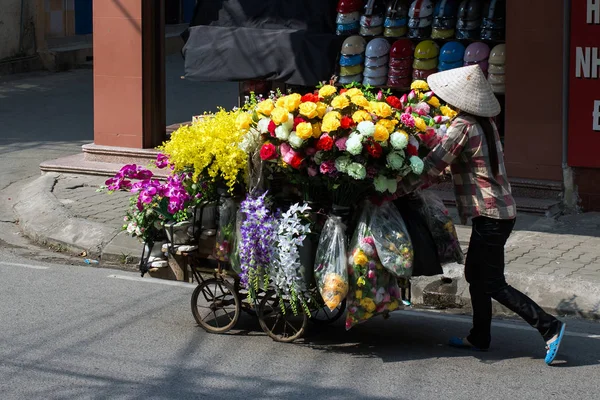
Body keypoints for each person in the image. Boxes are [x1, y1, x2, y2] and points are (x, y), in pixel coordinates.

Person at [398, 65, 566, 365]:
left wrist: (398, 188)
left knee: (491, 282)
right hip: (498, 211)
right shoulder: (486, 121)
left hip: (491, 215)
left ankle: (548, 326)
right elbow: (464, 162)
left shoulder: (463, 125)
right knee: (475, 275)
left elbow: (436, 163)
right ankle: (480, 336)